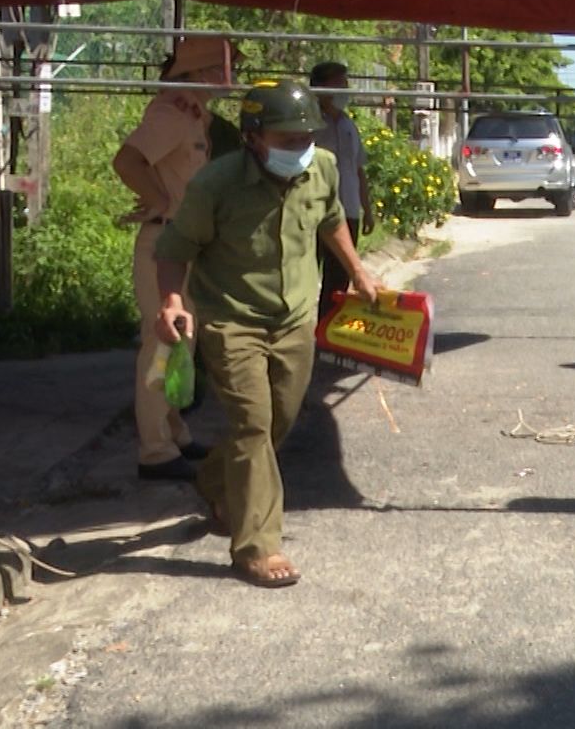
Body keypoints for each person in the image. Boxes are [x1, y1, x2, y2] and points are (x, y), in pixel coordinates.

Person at [154, 80, 379, 588]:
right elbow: (173, 248)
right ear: (253, 137)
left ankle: (215, 483)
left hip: (296, 316)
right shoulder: (215, 185)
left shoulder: (320, 167)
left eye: (306, 138)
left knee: (276, 422)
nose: (300, 149)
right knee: (254, 426)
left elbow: (330, 220)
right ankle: (257, 546)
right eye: (287, 139)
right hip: (233, 319)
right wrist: (171, 301)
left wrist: (359, 271)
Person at [113, 37, 238, 480]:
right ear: (203, 71)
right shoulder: (171, 114)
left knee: (178, 345)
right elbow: (127, 161)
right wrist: (160, 199)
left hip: (183, 246)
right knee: (163, 344)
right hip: (163, 244)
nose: (232, 76)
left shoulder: (194, 115)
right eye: (225, 67)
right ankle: (155, 452)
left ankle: (174, 434)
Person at [309, 62, 374, 319]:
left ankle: (327, 333)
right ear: (321, 87)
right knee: (305, 273)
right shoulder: (309, 122)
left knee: (339, 279)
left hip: (347, 210)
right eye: (339, 84)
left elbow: (358, 169)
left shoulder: (348, 123)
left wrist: (366, 209)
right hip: (314, 211)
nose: (344, 90)